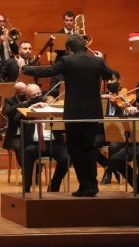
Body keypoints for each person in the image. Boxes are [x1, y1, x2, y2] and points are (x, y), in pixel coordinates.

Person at [22, 34, 114, 197]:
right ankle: (92, 185)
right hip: (93, 113)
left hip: (74, 114)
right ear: (85, 47)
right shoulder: (97, 61)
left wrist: (24, 68)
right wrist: (102, 60)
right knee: (90, 148)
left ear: (69, 49)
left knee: (75, 148)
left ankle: (85, 186)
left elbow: (46, 71)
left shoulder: (67, 61)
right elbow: (109, 76)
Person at [20, 84, 69, 192]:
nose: (38, 96)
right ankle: (26, 188)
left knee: (67, 158)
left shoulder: (51, 107)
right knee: (27, 152)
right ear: (28, 98)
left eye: (39, 94)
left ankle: (54, 185)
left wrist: (49, 109)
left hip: (53, 142)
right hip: (34, 144)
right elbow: (15, 119)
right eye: (34, 95)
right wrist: (30, 108)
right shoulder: (25, 109)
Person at [100, 71, 136, 184]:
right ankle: (110, 166)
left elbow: (132, 116)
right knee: (88, 144)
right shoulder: (103, 96)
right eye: (108, 80)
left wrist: (125, 109)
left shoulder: (125, 96)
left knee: (113, 146)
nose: (110, 82)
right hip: (104, 131)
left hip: (120, 132)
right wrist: (100, 99)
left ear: (119, 80)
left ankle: (108, 173)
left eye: (113, 80)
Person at [107, 105, 139, 190]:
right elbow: (124, 124)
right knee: (115, 159)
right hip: (135, 143)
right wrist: (126, 112)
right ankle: (137, 185)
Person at [2, 82, 27, 164]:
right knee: (19, 148)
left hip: (28, 133)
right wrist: (21, 105)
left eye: (26, 91)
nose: (25, 93)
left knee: (34, 149)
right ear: (16, 93)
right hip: (14, 134)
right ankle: (25, 170)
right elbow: (8, 112)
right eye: (23, 92)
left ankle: (35, 172)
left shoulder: (29, 98)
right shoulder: (9, 100)